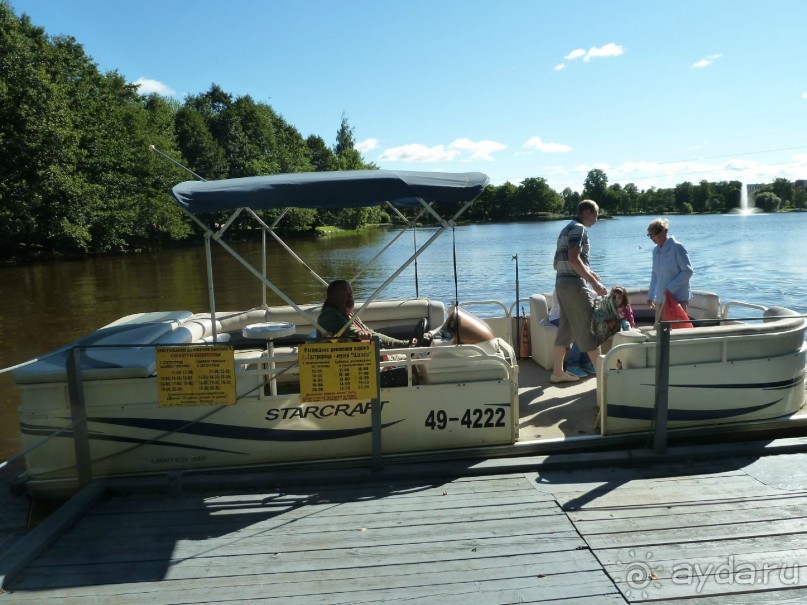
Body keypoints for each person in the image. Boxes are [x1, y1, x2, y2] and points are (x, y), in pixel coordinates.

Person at [551, 199, 608, 383]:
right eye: (596, 215)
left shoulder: (565, 230)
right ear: (586, 212)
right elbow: (574, 259)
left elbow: (557, 264)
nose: (597, 219)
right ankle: (603, 379)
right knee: (590, 327)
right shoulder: (579, 229)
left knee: (565, 330)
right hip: (574, 285)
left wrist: (589, 271)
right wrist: (593, 283)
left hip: (561, 284)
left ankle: (558, 373)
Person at [316, 279, 425, 347]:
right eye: (345, 294)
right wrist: (360, 333)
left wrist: (404, 344)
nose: (350, 298)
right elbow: (349, 329)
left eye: (350, 294)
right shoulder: (329, 315)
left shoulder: (347, 314)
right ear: (332, 297)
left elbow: (370, 333)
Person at [646, 218, 693, 319]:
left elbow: (688, 271)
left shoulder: (677, 247)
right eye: (649, 235)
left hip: (677, 298)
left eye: (653, 234)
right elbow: (655, 274)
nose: (651, 238)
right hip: (661, 299)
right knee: (660, 330)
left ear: (664, 231)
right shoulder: (655, 251)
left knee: (676, 330)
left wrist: (671, 288)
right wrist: (650, 296)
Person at [548, 291, 588, 378]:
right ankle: (572, 366)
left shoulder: (579, 285)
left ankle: (586, 362)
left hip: (572, 316)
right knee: (578, 331)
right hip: (557, 317)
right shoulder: (563, 287)